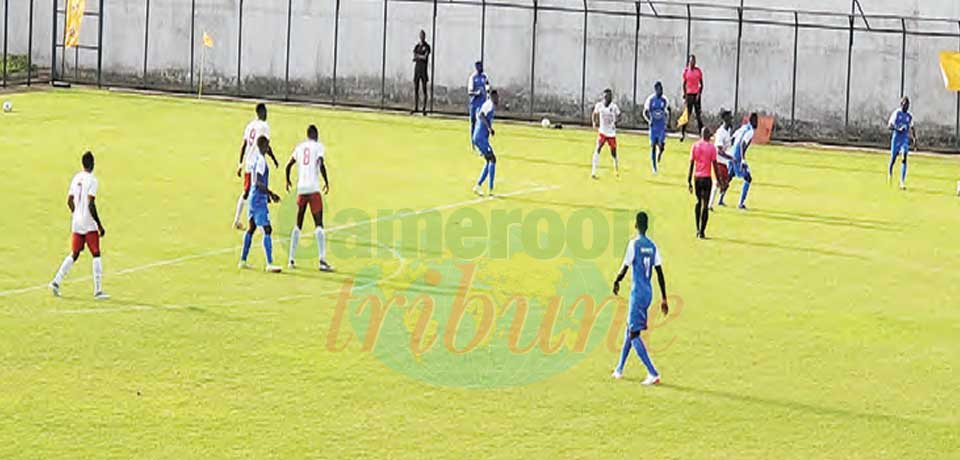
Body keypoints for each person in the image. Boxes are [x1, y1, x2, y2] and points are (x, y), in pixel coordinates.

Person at [611, 211, 669, 386]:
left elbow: (625, 267)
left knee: (634, 333)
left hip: (637, 293)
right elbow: (659, 273)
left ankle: (653, 372)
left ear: (636, 225)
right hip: (648, 292)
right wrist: (664, 298)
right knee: (630, 328)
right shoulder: (652, 246)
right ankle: (619, 369)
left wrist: (616, 281)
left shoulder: (633, 244)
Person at [49, 152, 109, 299]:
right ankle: (98, 290)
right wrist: (99, 225)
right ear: (92, 164)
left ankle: (56, 281)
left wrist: (76, 213)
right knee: (96, 253)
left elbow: (69, 201)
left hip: (76, 222)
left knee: (74, 253)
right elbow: (91, 203)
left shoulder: (76, 178)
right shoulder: (93, 180)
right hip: (88, 223)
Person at [285, 125, 333, 272]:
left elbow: (288, 165)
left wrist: (287, 180)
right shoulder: (318, 147)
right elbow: (321, 163)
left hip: (302, 189)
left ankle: (291, 259)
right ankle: (322, 260)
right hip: (313, 189)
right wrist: (326, 181)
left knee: (298, 224)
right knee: (319, 224)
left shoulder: (300, 147)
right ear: (316, 135)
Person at [239, 136, 283, 273]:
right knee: (267, 229)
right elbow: (258, 182)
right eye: (268, 145)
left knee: (251, 228)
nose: (269, 148)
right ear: (264, 146)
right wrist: (270, 193)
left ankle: (243, 260)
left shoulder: (256, 159)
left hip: (253, 196)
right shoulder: (261, 161)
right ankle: (270, 263)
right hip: (258, 198)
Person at [233, 103, 278, 229]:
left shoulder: (250, 125)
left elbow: (244, 145)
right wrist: (273, 158)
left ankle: (255, 219)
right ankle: (242, 220)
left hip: (248, 163)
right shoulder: (264, 126)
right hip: (257, 163)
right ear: (262, 112)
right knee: (251, 191)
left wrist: (240, 163)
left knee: (252, 191)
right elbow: (266, 145)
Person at [687, 127, 721, 239]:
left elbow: (692, 163)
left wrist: (689, 180)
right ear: (707, 135)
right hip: (706, 178)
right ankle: (702, 231)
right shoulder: (711, 148)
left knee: (698, 202)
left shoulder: (695, 146)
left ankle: (697, 228)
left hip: (697, 178)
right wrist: (719, 180)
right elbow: (715, 165)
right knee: (705, 205)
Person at [721, 113, 758, 210]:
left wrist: (730, 150)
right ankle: (740, 204)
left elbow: (733, 138)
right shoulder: (750, 131)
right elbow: (742, 144)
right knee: (748, 178)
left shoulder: (743, 127)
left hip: (731, 154)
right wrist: (742, 159)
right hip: (737, 157)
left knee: (729, 177)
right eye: (756, 121)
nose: (757, 123)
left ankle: (720, 199)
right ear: (752, 121)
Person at [472, 90, 499, 197]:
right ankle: (490, 188)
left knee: (489, 160)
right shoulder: (489, 105)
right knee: (492, 159)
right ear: (492, 97)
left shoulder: (490, 105)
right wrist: (489, 127)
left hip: (481, 137)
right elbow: (481, 115)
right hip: (480, 137)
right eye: (496, 97)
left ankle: (479, 186)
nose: (498, 99)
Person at [591, 88, 622, 179]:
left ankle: (616, 169)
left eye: (609, 96)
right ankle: (593, 171)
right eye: (606, 96)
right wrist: (594, 122)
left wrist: (616, 122)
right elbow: (594, 113)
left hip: (611, 133)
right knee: (598, 148)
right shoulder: (599, 105)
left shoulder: (614, 107)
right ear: (604, 97)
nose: (608, 98)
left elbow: (620, 116)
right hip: (602, 132)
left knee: (613, 152)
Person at [887, 96, 916, 190]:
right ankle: (890, 172)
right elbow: (889, 126)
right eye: (904, 105)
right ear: (901, 105)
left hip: (904, 139)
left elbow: (912, 127)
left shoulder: (909, 116)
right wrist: (897, 129)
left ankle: (902, 182)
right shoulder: (896, 113)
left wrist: (914, 138)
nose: (906, 107)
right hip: (896, 138)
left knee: (904, 157)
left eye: (907, 105)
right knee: (893, 158)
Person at [643, 82, 671, 174]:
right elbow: (645, 112)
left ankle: (660, 152)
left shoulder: (664, 100)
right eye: (659, 89)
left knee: (661, 145)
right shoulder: (650, 100)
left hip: (661, 126)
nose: (661, 91)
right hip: (653, 127)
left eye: (662, 89)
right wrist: (649, 121)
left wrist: (668, 122)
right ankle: (654, 167)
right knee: (653, 146)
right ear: (656, 90)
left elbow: (668, 111)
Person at [710, 110, 735, 209]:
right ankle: (709, 205)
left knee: (725, 185)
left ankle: (718, 201)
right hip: (718, 161)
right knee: (717, 183)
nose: (731, 120)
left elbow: (727, 146)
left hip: (724, 162)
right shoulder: (720, 132)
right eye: (729, 118)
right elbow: (719, 150)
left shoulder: (727, 131)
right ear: (725, 119)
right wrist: (730, 158)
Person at [680, 54, 704, 142]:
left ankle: (701, 134)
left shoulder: (698, 71)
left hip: (696, 95)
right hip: (689, 95)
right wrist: (685, 95)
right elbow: (684, 84)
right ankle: (682, 133)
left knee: (698, 116)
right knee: (687, 114)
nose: (692, 63)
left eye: (693, 61)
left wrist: (699, 94)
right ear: (689, 62)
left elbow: (701, 84)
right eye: (691, 61)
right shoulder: (686, 71)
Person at [467, 61, 490, 141]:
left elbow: (488, 88)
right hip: (474, 104)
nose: (481, 68)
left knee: (483, 123)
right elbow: (469, 92)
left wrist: (488, 97)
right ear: (476, 67)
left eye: (482, 66)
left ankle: (483, 141)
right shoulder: (473, 78)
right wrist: (477, 93)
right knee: (473, 122)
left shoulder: (484, 77)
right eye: (480, 66)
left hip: (482, 105)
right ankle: (473, 141)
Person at [412, 30, 432, 116]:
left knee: (424, 89)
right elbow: (414, 56)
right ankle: (416, 107)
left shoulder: (427, 46)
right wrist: (418, 57)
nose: (421, 37)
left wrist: (418, 56)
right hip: (417, 70)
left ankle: (424, 109)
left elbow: (425, 57)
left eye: (423, 35)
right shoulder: (417, 46)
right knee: (416, 89)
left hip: (424, 70)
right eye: (420, 35)